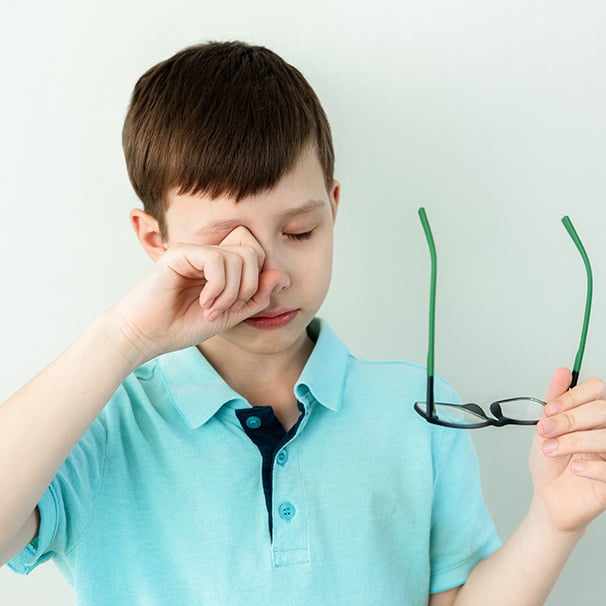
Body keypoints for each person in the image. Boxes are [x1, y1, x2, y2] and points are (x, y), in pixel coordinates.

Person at [0, 40, 605, 606]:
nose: (272, 277)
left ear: (333, 209)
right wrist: (124, 337)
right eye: (229, 247)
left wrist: (552, 521)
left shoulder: (415, 413)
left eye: (299, 233)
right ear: (157, 242)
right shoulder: (100, 425)